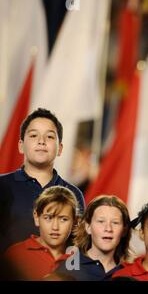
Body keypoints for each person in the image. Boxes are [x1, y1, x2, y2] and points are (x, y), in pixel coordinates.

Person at [0, 108, 85, 252]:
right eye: (33, 135)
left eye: (50, 137)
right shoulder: (3, 186)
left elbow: (76, 248)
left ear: (60, 149)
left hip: (56, 274)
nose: (41, 141)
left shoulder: (73, 194)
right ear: (21, 146)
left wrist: (71, 273)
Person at [2, 186, 79, 280]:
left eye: (63, 219)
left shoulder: (84, 258)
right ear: (36, 217)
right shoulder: (14, 255)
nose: (55, 227)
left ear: (75, 221)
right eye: (48, 218)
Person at [54, 195, 131, 281]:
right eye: (101, 221)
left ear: (124, 230)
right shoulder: (68, 268)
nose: (108, 228)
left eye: (115, 222)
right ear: (88, 227)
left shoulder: (129, 273)